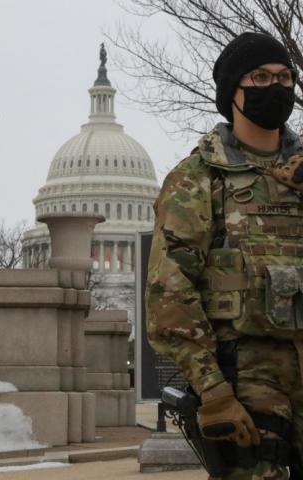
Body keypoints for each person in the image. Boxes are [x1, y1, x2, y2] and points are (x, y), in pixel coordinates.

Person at [146, 32, 303, 480]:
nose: (276, 87)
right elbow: (169, 296)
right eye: (260, 77)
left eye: (285, 77)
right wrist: (213, 392)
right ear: (231, 92)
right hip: (248, 380)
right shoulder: (200, 178)